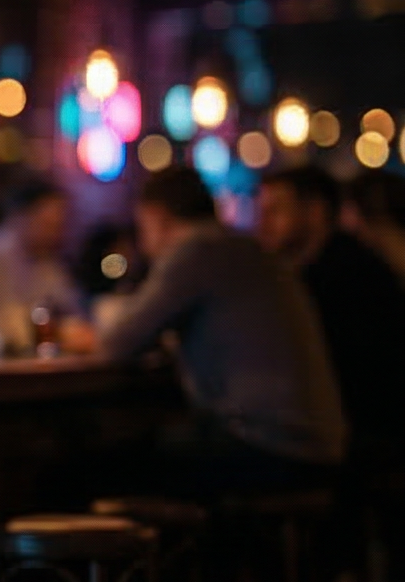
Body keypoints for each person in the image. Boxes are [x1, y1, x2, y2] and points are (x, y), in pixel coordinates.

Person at [93, 165, 347, 490]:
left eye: (143, 229)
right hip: (317, 443)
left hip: (268, 444)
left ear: (158, 217)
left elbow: (117, 343)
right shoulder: (244, 248)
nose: (144, 245)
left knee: (95, 469)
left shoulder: (196, 251)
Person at [255, 165, 405, 464]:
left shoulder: (345, 274)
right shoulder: (317, 269)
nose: (263, 224)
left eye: (276, 211)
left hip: (358, 436)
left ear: (315, 211)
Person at [0, 177, 92, 355]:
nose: (57, 233)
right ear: (20, 217)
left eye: (60, 225)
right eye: (48, 224)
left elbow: (73, 313)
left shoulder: (49, 264)